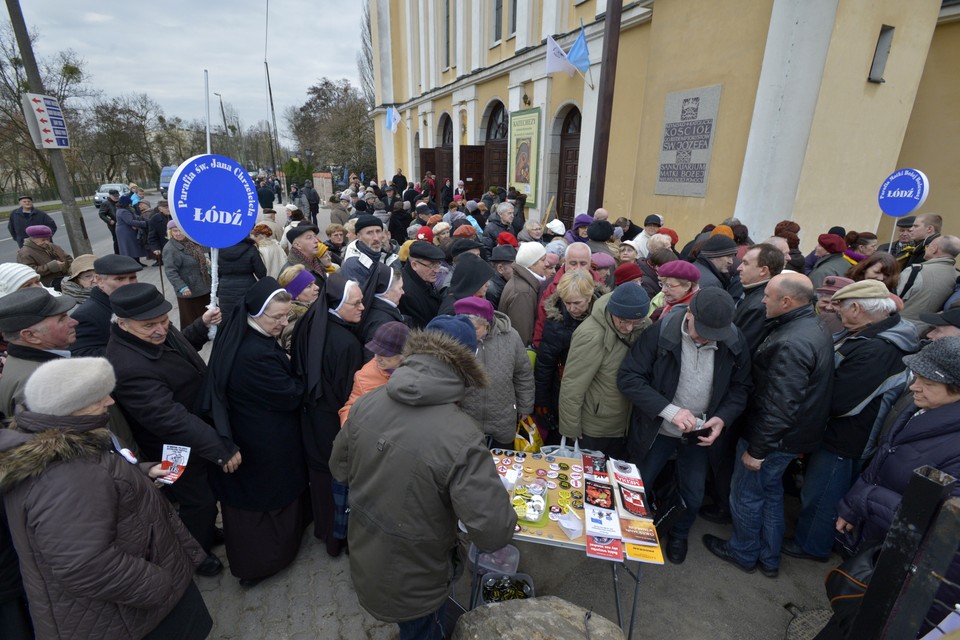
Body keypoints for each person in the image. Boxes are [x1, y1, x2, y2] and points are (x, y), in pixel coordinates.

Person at [330, 315, 517, 639]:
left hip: (368, 555)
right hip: (419, 578)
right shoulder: (461, 435)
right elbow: (493, 533)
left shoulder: (369, 401)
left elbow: (340, 469)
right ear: (468, 363)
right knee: (423, 630)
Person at [0, 357, 213, 640]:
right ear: (71, 409)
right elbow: (84, 566)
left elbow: (101, 477)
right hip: (131, 616)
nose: (110, 401)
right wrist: (160, 584)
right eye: (99, 396)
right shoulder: (64, 477)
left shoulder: (63, 439)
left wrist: (142, 471)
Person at [703, 273, 834, 577]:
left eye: (768, 296)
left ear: (787, 301)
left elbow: (780, 405)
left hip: (772, 440)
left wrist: (758, 451)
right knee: (770, 493)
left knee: (746, 494)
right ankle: (769, 557)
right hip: (792, 438)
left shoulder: (791, 342)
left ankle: (743, 552)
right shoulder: (810, 325)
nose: (761, 300)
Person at [833, 337, 960, 637]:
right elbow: (884, 457)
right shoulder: (922, 409)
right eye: (917, 377)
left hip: (901, 571)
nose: (915, 386)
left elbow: (940, 526)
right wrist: (853, 504)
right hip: (878, 538)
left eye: (928, 382)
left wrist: (865, 498)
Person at [785, 280, 919, 563]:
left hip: (845, 438)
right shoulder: (872, 335)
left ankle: (812, 545)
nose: (836, 312)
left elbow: (840, 401)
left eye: (840, 307)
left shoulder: (877, 348)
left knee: (822, 493)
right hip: (846, 434)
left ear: (857, 308)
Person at [105, 283, 233, 577]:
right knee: (197, 501)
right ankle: (194, 554)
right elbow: (168, 417)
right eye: (150, 325)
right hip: (174, 445)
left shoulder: (152, 332)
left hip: (194, 431)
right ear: (122, 324)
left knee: (202, 499)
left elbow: (180, 349)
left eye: (164, 321)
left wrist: (200, 327)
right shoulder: (128, 365)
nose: (161, 330)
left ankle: (205, 533)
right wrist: (218, 446)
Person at [619, 288, 752, 564]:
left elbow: (741, 388)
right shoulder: (662, 332)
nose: (703, 338)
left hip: (699, 433)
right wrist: (669, 411)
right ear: (688, 313)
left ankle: (678, 533)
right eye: (699, 330)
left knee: (693, 493)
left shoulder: (734, 340)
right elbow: (629, 377)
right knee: (637, 484)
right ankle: (628, 534)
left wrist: (722, 418)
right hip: (658, 429)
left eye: (712, 335)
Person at [202, 279, 308, 587]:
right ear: (255, 312)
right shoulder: (255, 354)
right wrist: (296, 373)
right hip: (263, 440)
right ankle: (263, 562)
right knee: (265, 504)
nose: (283, 323)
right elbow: (289, 394)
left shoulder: (244, 333)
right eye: (276, 317)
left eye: (286, 316)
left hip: (251, 429)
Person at [291, 273, 365, 557]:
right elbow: (350, 394)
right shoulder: (346, 343)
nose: (361, 308)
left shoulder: (310, 321)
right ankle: (338, 538)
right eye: (355, 303)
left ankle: (324, 530)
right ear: (336, 304)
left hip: (311, 417)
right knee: (337, 478)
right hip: (334, 423)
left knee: (320, 477)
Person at [558, 284, 651, 458]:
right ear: (612, 312)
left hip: (625, 424)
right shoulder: (591, 334)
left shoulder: (645, 325)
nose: (628, 327)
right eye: (622, 321)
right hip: (594, 429)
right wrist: (571, 429)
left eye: (635, 322)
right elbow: (572, 385)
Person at [455, 297, 534, 449]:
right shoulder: (456, 338)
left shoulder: (511, 337)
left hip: (502, 417)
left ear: (487, 324)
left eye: (475, 329)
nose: (470, 334)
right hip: (467, 418)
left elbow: (523, 374)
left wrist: (525, 407)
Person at [534, 270, 605, 428]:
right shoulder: (556, 320)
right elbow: (545, 363)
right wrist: (541, 399)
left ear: (589, 297)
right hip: (566, 384)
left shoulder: (605, 314)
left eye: (577, 303)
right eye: (567, 303)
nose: (571, 308)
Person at [0, 287, 77, 417]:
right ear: (30, 336)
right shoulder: (39, 385)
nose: (74, 322)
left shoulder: (30, 366)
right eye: (62, 319)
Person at [70, 255, 143, 357]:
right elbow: (82, 354)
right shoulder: (85, 316)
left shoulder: (140, 300)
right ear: (99, 280)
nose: (128, 283)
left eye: (132, 277)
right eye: (119, 279)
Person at [339, 321, 409, 427]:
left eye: (384, 354)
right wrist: (350, 430)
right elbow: (349, 409)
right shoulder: (364, 376)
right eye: (376, 351)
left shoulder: (420, 371)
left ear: (403, 354)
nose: (376, 358)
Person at [532, 242, 597, 346]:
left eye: (583, 264)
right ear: (565, 262)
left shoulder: (600, 283)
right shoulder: (550, 287)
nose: (578, 268)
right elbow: (541, 323)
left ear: (590, 262)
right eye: (573, 263)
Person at [897, 235, 960, 328]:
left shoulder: (916, 270)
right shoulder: (957, 276)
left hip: (900, 325)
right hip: (931, 329)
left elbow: (894, 301)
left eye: (928, 246)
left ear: (934, 249)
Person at [734, 243, 785, 352]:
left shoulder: (760, 305)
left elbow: (742, 349)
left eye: (745, 263)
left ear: (763, 271)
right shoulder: (755, 294)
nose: (739, 268)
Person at [163, 221, 212, 329]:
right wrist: (182, 287)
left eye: (180, 230)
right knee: (190, 316)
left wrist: (206, 262)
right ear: (170, 232)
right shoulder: (170, 248)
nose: (178, 233)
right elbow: (170, 271)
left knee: (205, 312)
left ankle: (208, 331)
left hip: (202, 285)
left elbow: (199, 257)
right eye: (174, 231)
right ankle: (191, 337)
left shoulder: (191, 242)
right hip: (188, 289)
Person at [500, 242, 549, 345]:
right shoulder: (523, 292)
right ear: (531, 264)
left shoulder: (523, 283)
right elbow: (523, 336)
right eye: (543, 260)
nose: (547, 264)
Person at [397, 240, 444, 329]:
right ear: (414, 265)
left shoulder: (422, 278)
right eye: (431, 266)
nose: (437, 270)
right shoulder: (407, 293)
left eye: (438, 265)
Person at [217, 237, 267, 316]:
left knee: (228, 317)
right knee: (247, 316)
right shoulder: (251, 248)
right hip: (248, 286)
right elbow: (261, 273)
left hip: (225, 288)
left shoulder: (219, 250)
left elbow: (216, 273)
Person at [360, 263, 407, 348]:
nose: (403, 292)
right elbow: (373, 355)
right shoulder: (382, 322)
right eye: (400, 288)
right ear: (386, 293)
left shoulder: (378, 309)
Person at [277, 264, 320, 352]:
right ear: (295, 295)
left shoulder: (312, 310)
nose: (317, 287)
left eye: (314, 283)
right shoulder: (295, 322)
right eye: (309, 286)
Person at [15, 224, 72, 289]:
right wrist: (51, 267)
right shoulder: (24, 253)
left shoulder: (53, 246)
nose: (47, 242)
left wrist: (70, 268)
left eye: (48, 239)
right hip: (47, 284)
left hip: (65, 277)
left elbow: (68, 258)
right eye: (43, 240)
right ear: (33, 239)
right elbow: (29, 272)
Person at [694, 235, 743, 300]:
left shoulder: (694, 267)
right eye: (728, 256)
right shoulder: (711, 283)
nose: (731, 262)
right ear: (714, 255)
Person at [115, 195, 149, 264]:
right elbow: (130, 221)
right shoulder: (124, 211)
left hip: (126, 230)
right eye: (129, 203)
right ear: (125, 203)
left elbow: (134, 216)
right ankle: (134, 262)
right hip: (126, 231)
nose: (130, 204)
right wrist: (144, 223)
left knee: (133, 246)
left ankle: (137, 261)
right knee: (131, 246)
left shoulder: (122, 210)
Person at [485, 245, 516, 309]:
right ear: (500, 268)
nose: (517, 271)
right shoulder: (492, 291)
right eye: (514, 267)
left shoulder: (502, 283)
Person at [146, 200, 173, 265]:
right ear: (160, 209)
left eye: (170, 207)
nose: (169, 209)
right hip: (165, 247)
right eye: (166, 208)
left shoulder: (177, 216)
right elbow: (152, 236)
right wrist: (156, 248)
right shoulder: (154, 219)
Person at [98, 188, 121, 254]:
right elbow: (101, 214)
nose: (116, 197)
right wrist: (109, 221)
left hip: (121, 223)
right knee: (116, 240)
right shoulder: (106, 204)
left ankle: (124, 253)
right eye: (115, 196)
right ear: (110, 196)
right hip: (113, 224)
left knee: (122, 239)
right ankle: (117, 255)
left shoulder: (119, 202)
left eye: (117, 196)